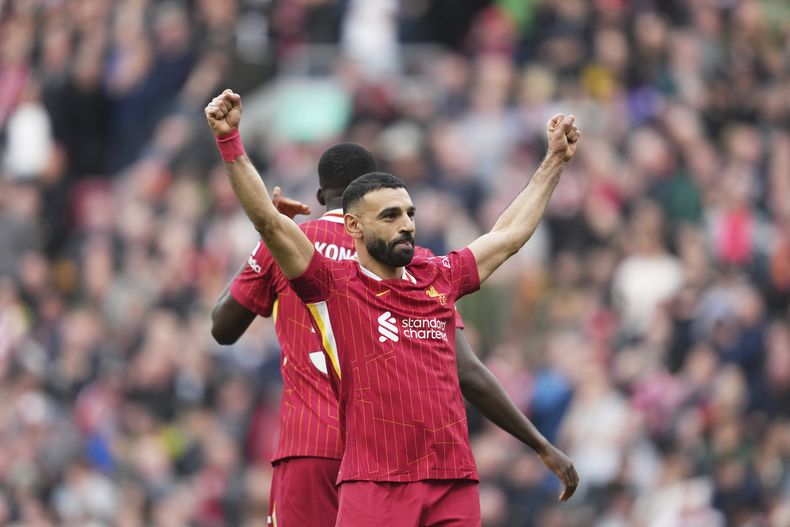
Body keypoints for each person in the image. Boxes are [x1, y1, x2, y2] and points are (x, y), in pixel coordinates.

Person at [205, 89, 580, 526]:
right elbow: (269, 222)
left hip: (448, 476)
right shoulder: (335, 286)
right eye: (390, 216)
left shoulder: (435, 275)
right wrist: (230, 140)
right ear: (354, 226)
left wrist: (555, 160)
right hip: (373, 480)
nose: (406, 224)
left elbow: (508, 235)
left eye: (409, 213)